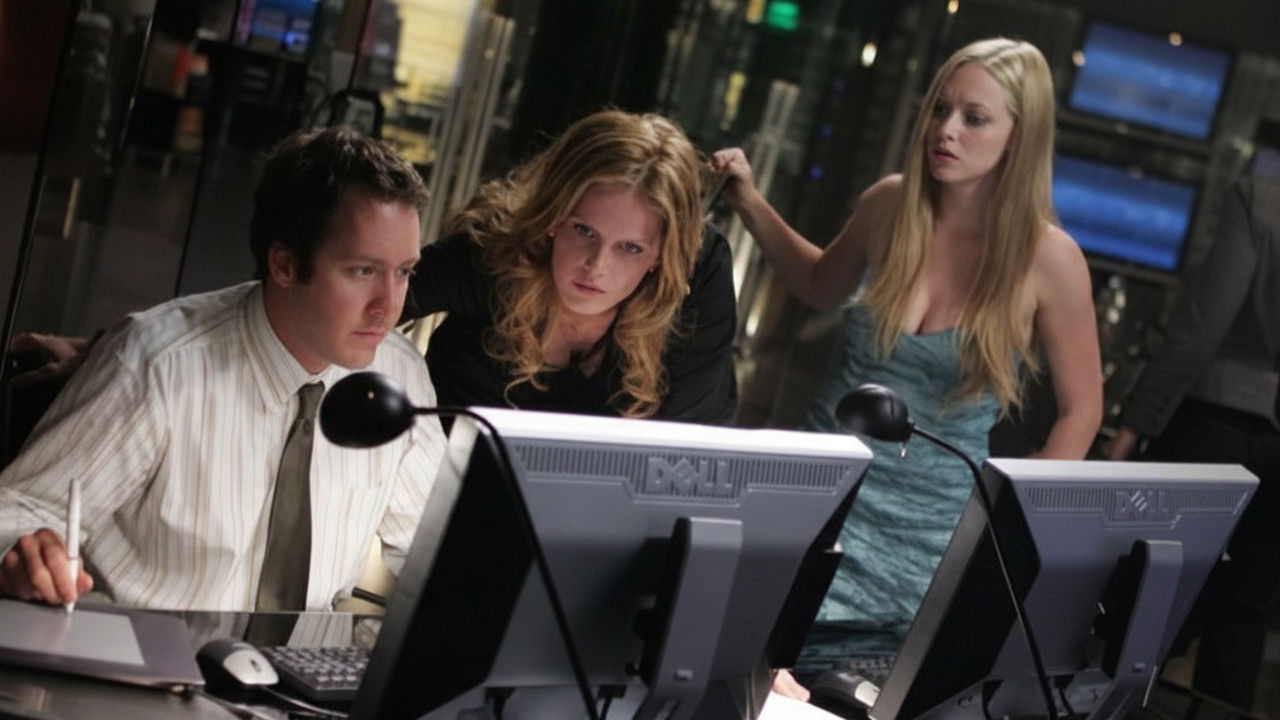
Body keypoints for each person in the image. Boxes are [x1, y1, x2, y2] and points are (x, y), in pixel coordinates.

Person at [712, 38, 1102, 682]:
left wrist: (1012, 537)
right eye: (940, 109)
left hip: (925, 543)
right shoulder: (889, 205)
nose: (946, 130)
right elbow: (819, 284)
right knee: (742, 680)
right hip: (816, 502)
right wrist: (749, 201)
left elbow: (1082, 411)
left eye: (974, 118)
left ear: (1020, 136)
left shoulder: (1049, 259)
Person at [0, 126, 446, 611]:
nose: (388, 306)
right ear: (284, 265)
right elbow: (18, 512)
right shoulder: (159, 364)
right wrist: (27, 553)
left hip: (301, 657)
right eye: (363, 271)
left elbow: (440, 555)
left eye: (403, 272)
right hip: (145, 649)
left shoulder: (399, 375)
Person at [403, 109, 737, 424]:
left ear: (661, 255)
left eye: (630, 248)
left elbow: (693, 442)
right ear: (553, 216)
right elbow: (376, 304)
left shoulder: (694, 289)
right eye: (584, 231)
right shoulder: (493, 257)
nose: (596, 265)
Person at [1107, 119, 1280, 709]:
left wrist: (1135, 421)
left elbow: (1202, 327)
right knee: (1244, 616)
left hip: (1216, 420)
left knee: (1147, 603)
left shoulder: (1260, 195)